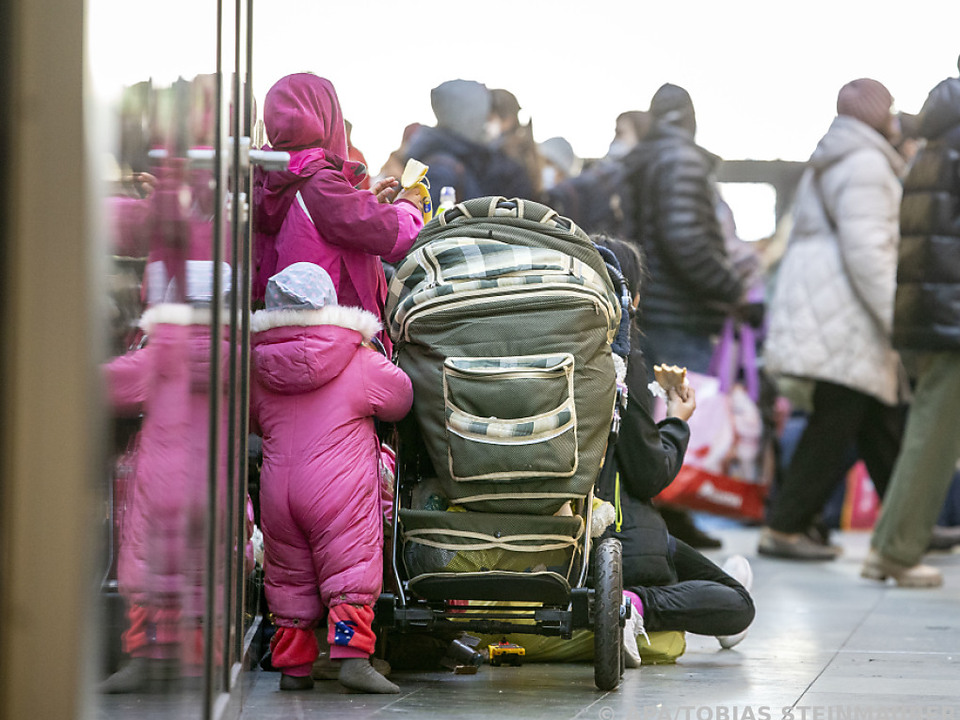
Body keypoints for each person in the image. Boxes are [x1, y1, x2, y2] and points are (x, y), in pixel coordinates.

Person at [760, 78, 909, 560]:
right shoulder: (865, 163)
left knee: (875, 419)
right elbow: (870, 252)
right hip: (848, 314)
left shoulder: (835, 158)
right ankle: (784, 527)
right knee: (839, 417)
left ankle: (911, 524)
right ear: (875, 113)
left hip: (830, 308)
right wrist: (897, 318)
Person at [249, 262, 414, 693]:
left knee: (288, 579)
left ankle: (294, 668)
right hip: (336, 490)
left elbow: (252, 418)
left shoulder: (259, 365)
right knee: (350, 573)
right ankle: (353, 657)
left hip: (278, 490)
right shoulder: (355, 358)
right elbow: (400, 399)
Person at [592, 235, 755, 666]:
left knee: (711, 579)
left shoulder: (548, 352)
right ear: (636, 298)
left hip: (556, 540)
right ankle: (633, 605)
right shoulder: (620, 358)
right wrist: (677, 419)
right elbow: (650, 473)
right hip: (624, 540)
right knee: (737, 603)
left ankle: (661, 597)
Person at [622, 84, 747, 549]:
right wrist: (733, 291)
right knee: (682, 407)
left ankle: (670, 512)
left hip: (645, 304)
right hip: (680, 309)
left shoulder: (636, 162)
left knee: (648, 409)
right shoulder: (683, 162)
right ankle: (675, 509)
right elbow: (686, 241)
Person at [860, 68, 960, 587]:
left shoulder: (938, 136)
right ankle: (895, 551)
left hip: (932, 307)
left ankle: (889, 548)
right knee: (934, 435)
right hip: (950, 314)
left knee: (932, 431)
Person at [252, 73, 424, 354]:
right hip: (333, 333)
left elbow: (316, 222)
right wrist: (408, 206)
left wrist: (364, 201)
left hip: (287, 327)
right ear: (328, 117)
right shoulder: (317, 179)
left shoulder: (274, 174)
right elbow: (391, 234)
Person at [402, 79, 535, 209]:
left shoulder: (467, 159)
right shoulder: (442, 171)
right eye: (486, 116)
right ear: (468, 120)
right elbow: (428, 228)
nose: (488, 124)